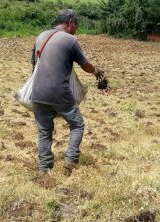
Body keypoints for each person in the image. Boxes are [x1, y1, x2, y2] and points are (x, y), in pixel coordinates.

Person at [30, 9, 104, 176]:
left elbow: (34, 64)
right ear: (70, 23)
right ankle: (71, 160)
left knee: (44, 131)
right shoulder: (70, 40)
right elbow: (85, 65)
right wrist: (97, 71)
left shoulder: (41, 36)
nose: (76, 29)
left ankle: (44, 168)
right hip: (58, 92)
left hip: (38, 92)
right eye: (76, 25)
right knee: (77, 124)